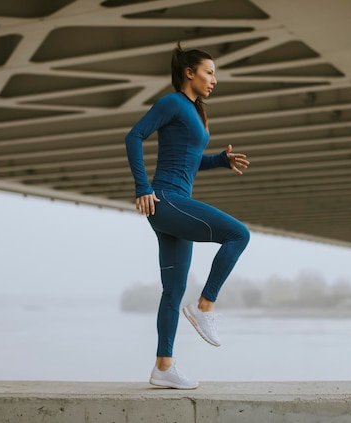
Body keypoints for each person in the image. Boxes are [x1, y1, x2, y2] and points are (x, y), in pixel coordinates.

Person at [125, 42, 251, 389]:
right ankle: (205, 306)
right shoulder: (172, 103)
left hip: (174, 202)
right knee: (239, 234)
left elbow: (189, 160)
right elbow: (134, 136)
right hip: (165, 199)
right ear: (189, 73)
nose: (214, 80)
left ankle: (163, 367)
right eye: (209, 72)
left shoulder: (194, 112)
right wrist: (142, 188)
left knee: (172, 291)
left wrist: (219, 161)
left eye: (215, 74)